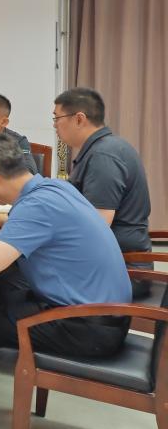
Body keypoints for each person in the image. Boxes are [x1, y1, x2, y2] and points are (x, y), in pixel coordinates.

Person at [0, 132, 131, 375]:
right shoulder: (53, 187)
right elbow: (22, 223)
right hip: (106, 312)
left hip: (85, 327)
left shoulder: (35, 206)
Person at [54, 87, 152, 295]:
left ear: (79, 119)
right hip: (111, 261)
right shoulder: (103, 148)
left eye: (57, 118)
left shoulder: (103, 156)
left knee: (25, 274)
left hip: (121, 271)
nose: (54, 125)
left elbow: (97, 226)